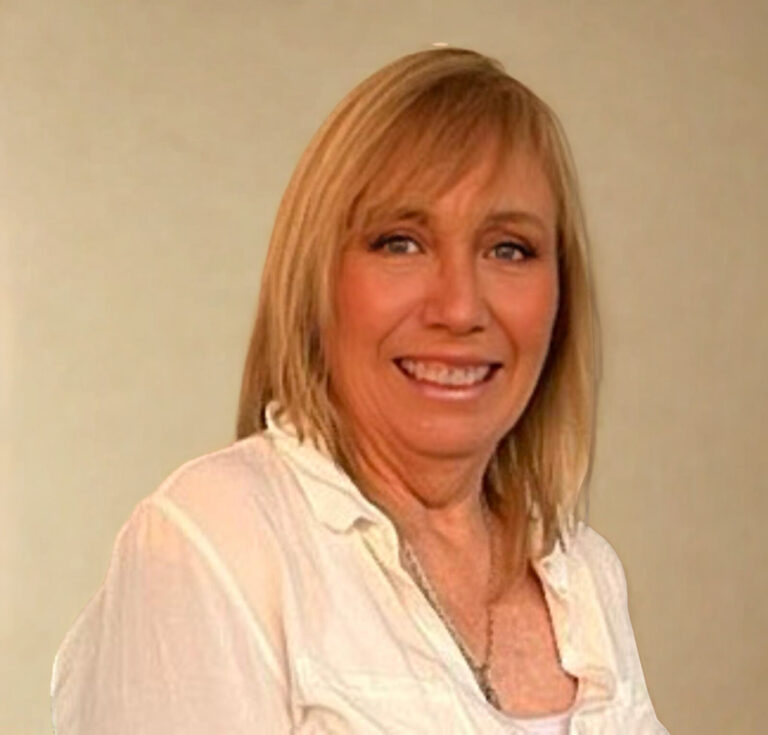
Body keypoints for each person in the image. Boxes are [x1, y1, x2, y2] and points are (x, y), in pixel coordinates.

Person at [51, 47, 668, 734]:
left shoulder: (583, 575)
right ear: (315, 281)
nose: (460, 308)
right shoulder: (216, 540)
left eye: (509, 249)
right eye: (401, 242)